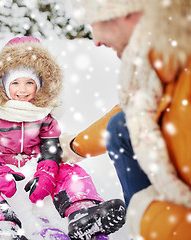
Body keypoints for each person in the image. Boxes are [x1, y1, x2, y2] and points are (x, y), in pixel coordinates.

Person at [0, 36, 126, 240]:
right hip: (2, 167)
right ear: (4, 83)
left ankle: (83, 210)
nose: (22, 90)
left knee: (69, 168)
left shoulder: (43, 113)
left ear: (40, 85)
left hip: (35, 166)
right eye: (15, 82)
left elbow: (51, 145)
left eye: (29, 83)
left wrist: (47, 172)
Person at [61, 0, 191, 239]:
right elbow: (131, 113)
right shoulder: (165, 60)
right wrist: (74, 147)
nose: (96, 40)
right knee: (121, 126)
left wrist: (146, 216)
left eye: (94, 22)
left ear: (126, 13)